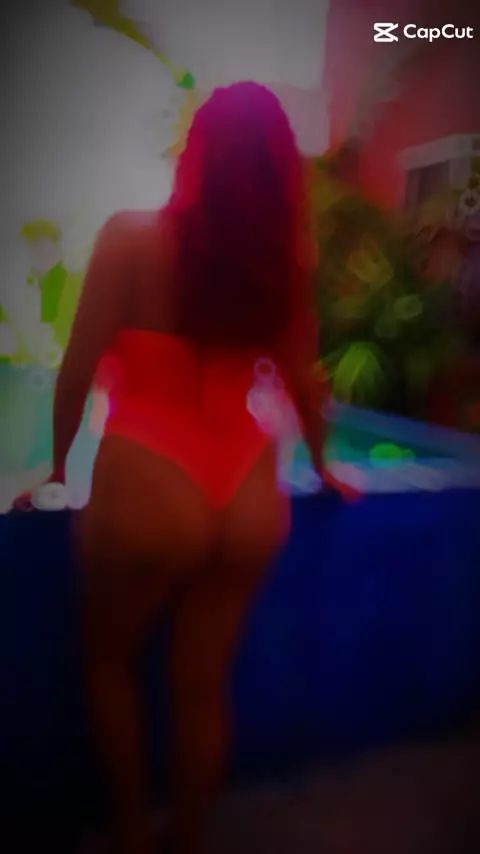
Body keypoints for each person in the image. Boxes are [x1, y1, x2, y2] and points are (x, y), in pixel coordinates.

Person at [16, 82, 355, 853]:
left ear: (194, 151)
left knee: (110, 668)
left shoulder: (130, 237)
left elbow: (77, 369)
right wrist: (327, 468)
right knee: (202, 691)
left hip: (150, 479)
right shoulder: (280, 265)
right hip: (247, 487)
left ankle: (133, 836)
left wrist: (57, 465)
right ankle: (188, 836)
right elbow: (304, 385)